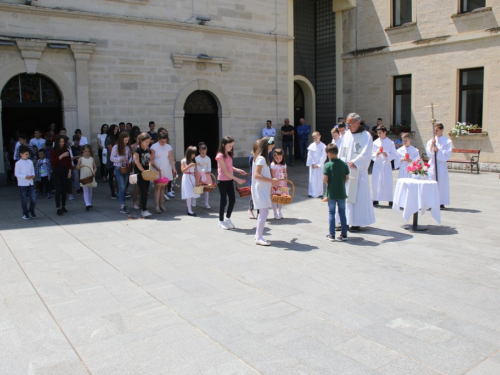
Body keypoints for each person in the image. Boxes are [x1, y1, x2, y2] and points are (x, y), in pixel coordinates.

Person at [340, 113, 375, 232]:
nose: (348, 126)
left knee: (357, 197)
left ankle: (356, 222)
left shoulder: (366, 136)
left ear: (357, 123)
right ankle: (344, 220)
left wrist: (355, 162)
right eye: (347, 124)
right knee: (344, 197)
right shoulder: (347, 135)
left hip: (357, 173)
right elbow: (342, 150)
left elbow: (366, 153)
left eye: (350, 124)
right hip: (346, 172)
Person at [252, 137, 279, 245]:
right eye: (271, 147)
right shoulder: (261, 158)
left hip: (262, 187)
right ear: (266, 146)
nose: (271, 150)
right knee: (264, 212)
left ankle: (257, 234)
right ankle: (259, 237)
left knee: (262, 212)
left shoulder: (260, 157)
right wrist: (271, 180)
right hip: (260, 188)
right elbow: (257, 175)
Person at [216, 136, 247, 229]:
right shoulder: (220, 156)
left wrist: (238, 170)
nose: (231, 148)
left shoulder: (228, 155)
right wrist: (237, 179)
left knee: (232, 200)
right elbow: (225, 171)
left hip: (229, 180)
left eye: (232, 146)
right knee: (223, 201)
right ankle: (220, 221)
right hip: (222, 181)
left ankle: (227, 218)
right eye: (229, 146)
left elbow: (230, 167)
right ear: (223, 144)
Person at [323, 143, 350, 242]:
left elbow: (325, 179)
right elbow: (347, 177)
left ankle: (332, 234)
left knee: (331, 213)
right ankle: (344, 234)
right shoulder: (344, 164)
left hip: (332, 192)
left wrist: (330, 182)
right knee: (342, 213)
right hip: (342, 192)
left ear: (329, 153)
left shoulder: (327, 165)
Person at [426, 123, 452, 209]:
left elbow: (447, 155)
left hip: (441, 164)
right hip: (433, 163)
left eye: (437, 130)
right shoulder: (431, 141)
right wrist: (432, 147)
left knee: (441, 182)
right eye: (434, 130)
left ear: (442, 130)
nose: (435, 131)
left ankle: (440, 202)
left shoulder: (447, 142)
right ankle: (431, 201)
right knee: (431, 181)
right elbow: (429, 153)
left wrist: (438, 151)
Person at [150, 130, 176, 213]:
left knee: (163, 187)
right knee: (157, 187)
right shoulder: (154, 146)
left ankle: (161, 204)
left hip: (166, 168)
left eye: (165, 141)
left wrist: (174, 168)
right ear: (158, 139)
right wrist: (155, 167)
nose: (163, 143)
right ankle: (157, 206)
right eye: (161, 141)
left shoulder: (168, 147)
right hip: (157, 168)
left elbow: (171, 158)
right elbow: (151, 159)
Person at [372, 125, 397, 207]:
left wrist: (387, 155)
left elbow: (394, 154)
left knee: (387, 182)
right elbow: (371, 153)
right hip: (378, 164)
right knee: (376, 181)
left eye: (380, 133)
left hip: (385, 164)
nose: (378, 134)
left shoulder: (390, 143)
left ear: (384, 132)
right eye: (378, 133)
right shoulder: (375, 142)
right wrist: (376, 154)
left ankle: (389, 199)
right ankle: (376, 198)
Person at [133, 132, 156, 217]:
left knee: (146, 191)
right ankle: (144, 210)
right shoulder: (137, 150)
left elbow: (150, 159)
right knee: (143, 190)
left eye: (148, 142)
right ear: (141, 141)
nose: (147, 143)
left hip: (147, 173)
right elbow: (137, 162)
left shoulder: (147, 149)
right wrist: (143, 171)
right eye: (146, 141)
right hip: (140, 173)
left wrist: (151, 160)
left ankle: (143, 206)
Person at [110, 131, 133, 214]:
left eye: (127, 140)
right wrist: (120, 159)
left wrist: (129, 161)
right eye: (125, 140)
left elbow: (130, 157)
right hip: (118, 168)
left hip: (126, 168)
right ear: (121, 139)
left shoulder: (127, 148)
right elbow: (111, 158)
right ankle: (122, 205)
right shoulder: (116, 147)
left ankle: (123, 204)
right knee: (122, 186)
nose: (126, 142)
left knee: (125, 187)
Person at [51, 135, 73, 216]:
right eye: (60, 142)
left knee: (64, 189)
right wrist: (62, 156)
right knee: (58, 189)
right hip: (57, 171)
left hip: (65, 170)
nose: (62, 143)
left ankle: (63, 206)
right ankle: (58, 207)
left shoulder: (66, 150)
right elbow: (53, 162)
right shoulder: (53, 151)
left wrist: (69, 171)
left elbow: (69, 162)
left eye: (63, 142)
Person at [15, 145, 37, 220]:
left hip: (30, 182)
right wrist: (25, 176)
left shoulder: (30, 162)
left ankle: (31, 211)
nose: (27, 156)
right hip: (22, 183)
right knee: (24, 199)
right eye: (26, 154)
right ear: (21, 154)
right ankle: (25, 213)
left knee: (33, 198)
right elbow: (16, 173)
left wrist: (33, 175)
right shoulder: (18, 163)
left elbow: (32, 170)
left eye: (28, 154)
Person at [76, 145, 97, 210]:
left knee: (90, 189)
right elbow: (76, 167)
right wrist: (80, 166)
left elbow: (95, 167)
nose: (87, 153)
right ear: (83, 151)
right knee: (85, 189)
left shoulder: (92, 159)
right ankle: (87, 203)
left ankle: (89, 202)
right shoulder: (80, 159)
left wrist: (94, 172)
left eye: (88, 151)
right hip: (84, 176)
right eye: (85, 151)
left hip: (90, 175)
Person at [306, 131, 327, 198]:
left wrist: (318, 164)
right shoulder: (311, 146)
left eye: (316, 137)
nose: (316, 139)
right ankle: (311, 192)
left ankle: (319, 193)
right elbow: (309, 155)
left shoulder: (323, 146)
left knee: (319, 179)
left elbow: (323, 156)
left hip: (319, 166)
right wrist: (312, 163)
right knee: (312, 179)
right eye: (314, 138)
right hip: (313, 165)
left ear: (319, 136)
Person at [181, 146, 200, 216]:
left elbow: (196, 172)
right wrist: (189, 166)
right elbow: (183, 170)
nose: (194, 155)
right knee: (188, 194)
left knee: (192, 194)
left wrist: (197, 181)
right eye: (193, 154)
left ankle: (190, 207)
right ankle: (189, 210)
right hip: (186, 178)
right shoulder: (183, 161)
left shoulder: (194, 161)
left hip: (192, 178)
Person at [270, 148, 287, 220]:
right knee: (275, 198)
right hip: (275, 183)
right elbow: (273, 175)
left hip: (282, 182)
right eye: (277, 158)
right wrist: (275, 184)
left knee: (281, 198)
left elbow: (285, 172)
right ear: (274, 156)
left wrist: (285, 177)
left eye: (280, 158)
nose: (279, 159)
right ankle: (275, 212)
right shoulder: (272, 165)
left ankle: (279, 211)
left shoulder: (284, 164)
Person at [194, 142, 212, 209]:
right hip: (198, 175)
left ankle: (206, 203)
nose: (204, 154)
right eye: (202, 153)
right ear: (199, 151)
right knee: (197, 188)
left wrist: (208, 171)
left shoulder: (208, 159)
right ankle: (194, 200)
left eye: (205, 153)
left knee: (206, 189)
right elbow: (195, 167)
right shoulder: (196, 158)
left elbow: (209, 167)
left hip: (206, 175)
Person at [105, 125, 119, 199]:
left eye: (117, 129)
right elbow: (111, 150)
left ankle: (117, 190)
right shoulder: (108, 138)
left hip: (118, 159)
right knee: (111, 176)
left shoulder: (117, 138)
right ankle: (112, 192)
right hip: (111, 159)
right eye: (114, 129)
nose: (115, 131)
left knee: (117, 176)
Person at [247, 140, 260, 219]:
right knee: (253, 195)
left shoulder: (263, 157)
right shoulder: (252, 157)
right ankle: (250, 209)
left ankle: (259, 212)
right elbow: (252, 169)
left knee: (259, 196)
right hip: (253, 178)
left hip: (260, 178)